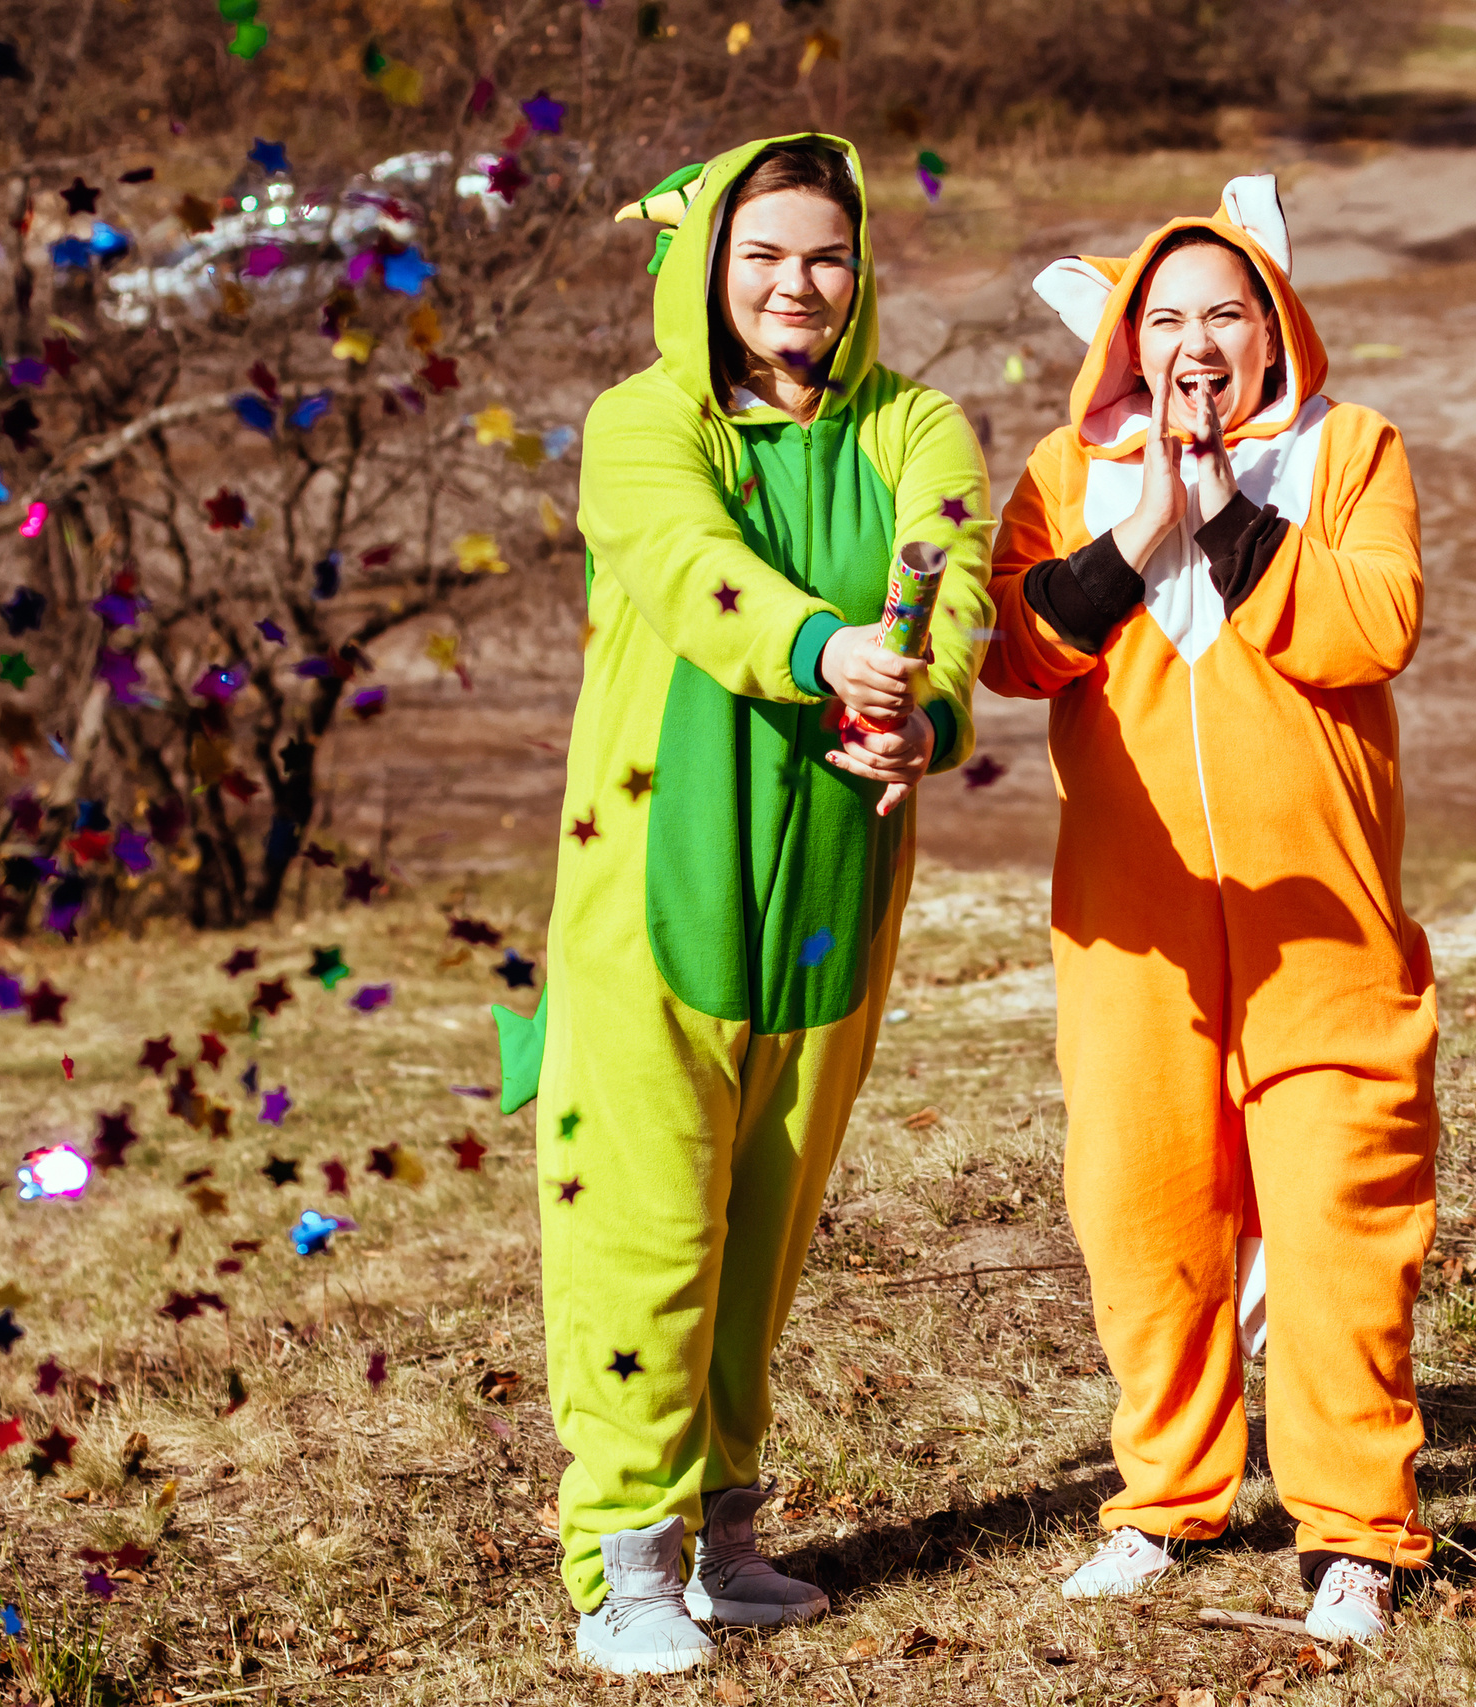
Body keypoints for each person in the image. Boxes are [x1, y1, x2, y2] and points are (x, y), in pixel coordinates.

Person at [491, 133, 993, 1675]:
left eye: (827, 255)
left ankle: (723, 1538)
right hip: (658, 888)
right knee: (644, 1225)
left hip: (834, 894)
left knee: (762, 1227)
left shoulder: (916, 424)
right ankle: (620, 1562)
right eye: (763, 254)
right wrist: (828, 650)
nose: (798, 284)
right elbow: (689, 565)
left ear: (863, 268)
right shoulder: (643, 423)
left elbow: (953, 577)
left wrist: (928, 712)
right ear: (708, 266)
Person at [980, 176, 1438, 1642]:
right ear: (1125, 338)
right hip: (1134, 931)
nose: (1195, 343)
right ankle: (1165, 1500)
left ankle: (1355, 1531)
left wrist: (1230, 519)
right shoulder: (1066, 470)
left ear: (1273, 327)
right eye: (1165, 317)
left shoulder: (1352, 450)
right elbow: (1013, 650)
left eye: (1225, 314)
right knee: (1144, 1206)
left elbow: (1374, 627)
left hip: (1330, 924)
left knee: (1340, 1214)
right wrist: (1139, 533)